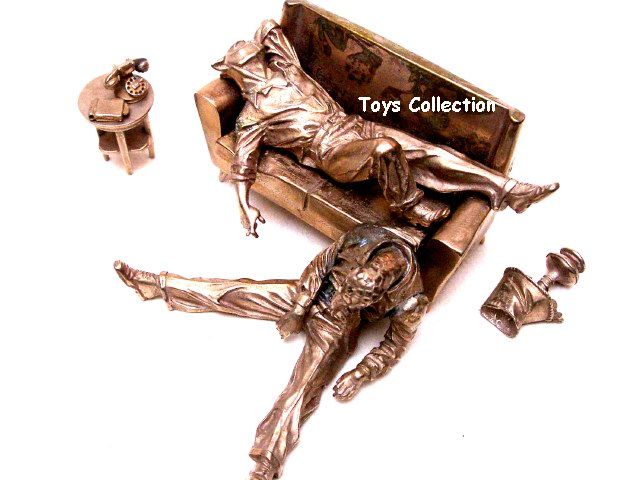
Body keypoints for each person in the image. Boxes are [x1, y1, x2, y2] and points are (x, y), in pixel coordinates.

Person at [114, 224, 429, 480]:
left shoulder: (412, 299)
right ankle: (157, 285)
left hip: (337, 327)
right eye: (347, 289)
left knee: (302, 388)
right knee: (239, 291)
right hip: (311, 294)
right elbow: (320, 266)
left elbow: (395, 345)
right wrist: (299, 308)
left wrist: (360, 373)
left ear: (379, 294)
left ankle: (266, 464)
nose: (342, 298)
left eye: (353, 299)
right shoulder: (365, 237)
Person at [213, 20, 559, 237]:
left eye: (256, 58)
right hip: (331, 151)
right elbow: (243, 163)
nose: (256, 65)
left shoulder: (287, 68)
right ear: (236, 73)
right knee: (385, 150)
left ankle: (507, 190)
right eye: (247, 65)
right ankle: (408, 205)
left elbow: (269, 26)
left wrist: (258, 43)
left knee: (431, 151)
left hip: (357, 125)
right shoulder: (253, 115)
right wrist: (245, 206)